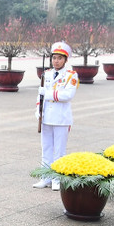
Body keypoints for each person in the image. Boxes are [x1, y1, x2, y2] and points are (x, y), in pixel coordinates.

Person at [34, 42, 79, 191]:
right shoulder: (46, 74)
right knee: (46, 148)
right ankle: (45, 177)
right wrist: (38, 110)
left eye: (60, 58)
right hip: (46, 117)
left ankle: (57, 178)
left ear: (65, 60)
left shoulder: (71, 76)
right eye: (54, 58)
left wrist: (46, 94)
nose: (56, 61)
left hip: (61, 118)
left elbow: (68, 95)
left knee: (59, 150)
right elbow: (39, 96)